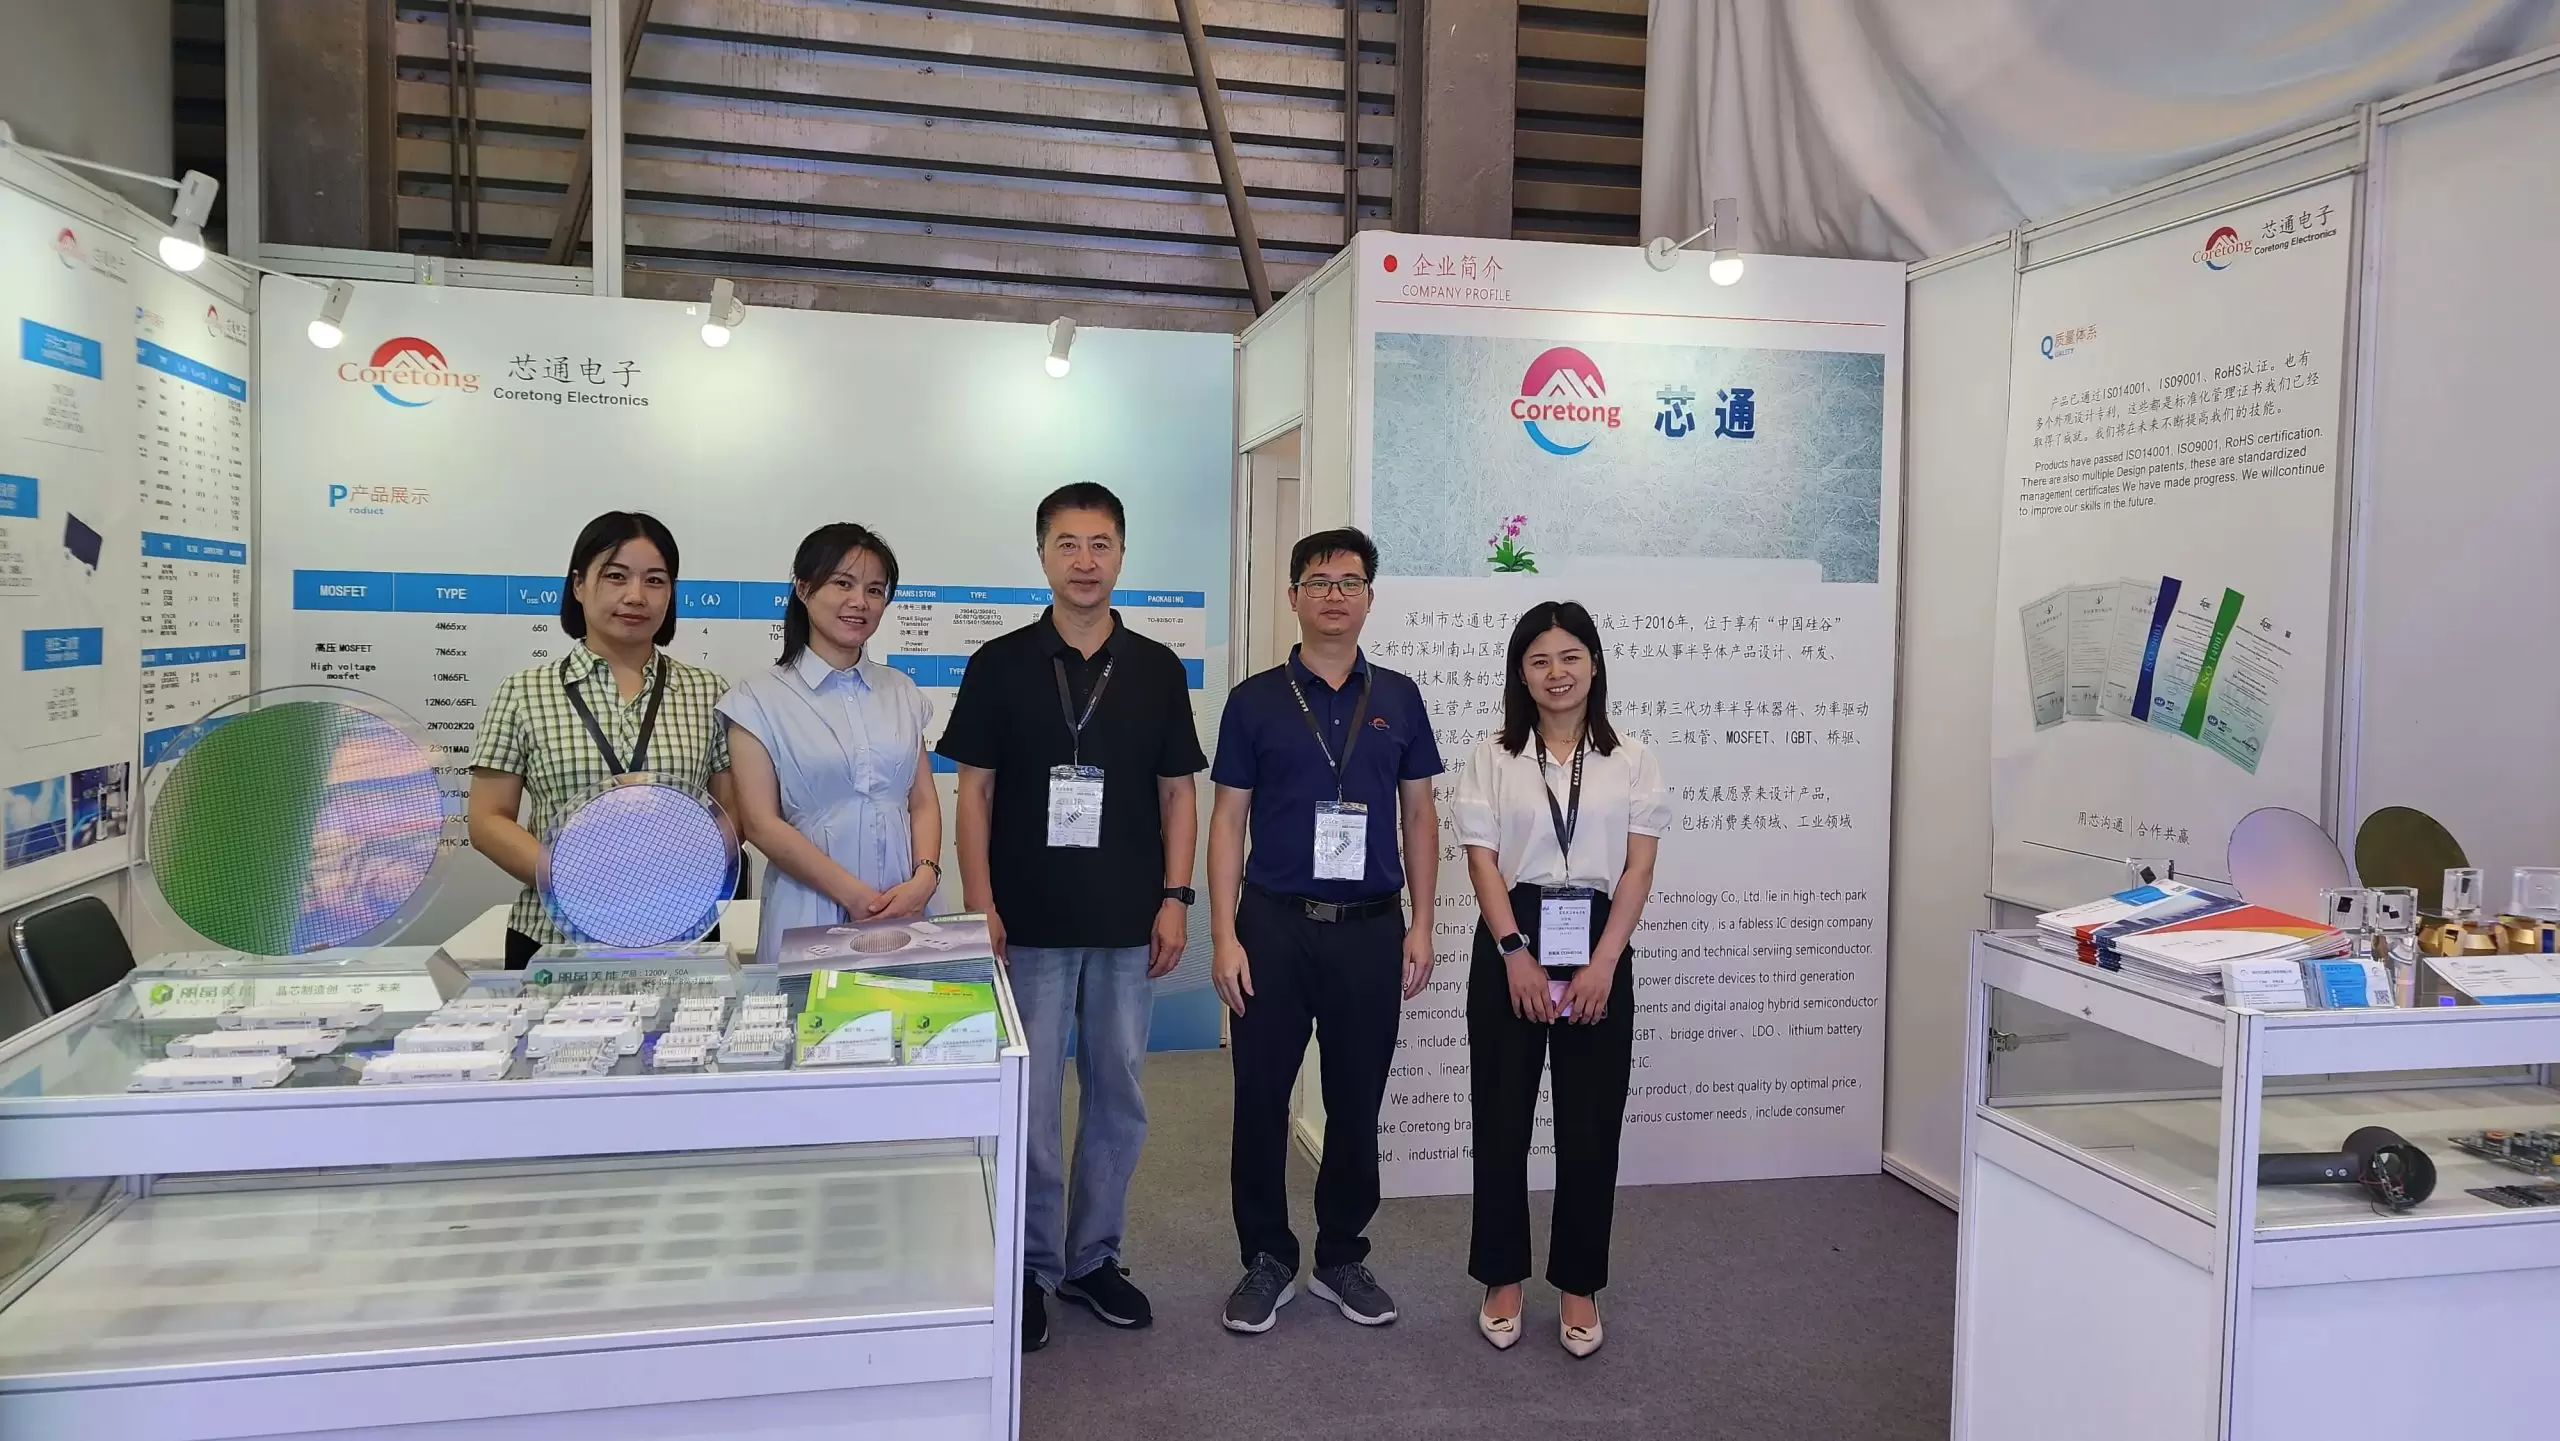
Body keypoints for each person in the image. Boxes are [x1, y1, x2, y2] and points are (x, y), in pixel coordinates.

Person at [935, 482, 1206, 1352]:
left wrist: (1176, 898)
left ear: (1122, 553)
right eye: (1067, 544)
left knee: (1119, 1093)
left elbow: (1179, 794)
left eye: (1100, 544)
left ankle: (1094, 1257)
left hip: (1129, 921)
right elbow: (973, 794)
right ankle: (1029, 1262)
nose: (1085, 561)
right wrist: (980, 904)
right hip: (1029, 921)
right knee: (1033, 1100)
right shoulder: (1000, 662)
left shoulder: (1156, 667)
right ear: (1042, 554)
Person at [1206, 528, 1441, 1334]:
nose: (1333, 594)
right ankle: (1266, 1258)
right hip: (1272, 925)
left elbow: (1420, 816)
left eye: (1349, 581)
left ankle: (1341, 1254)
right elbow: (1227, 820)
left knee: (1356, 1099)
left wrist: (1423, 923)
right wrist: (1224, 935)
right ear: (1293, 596)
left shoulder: (1400, 698)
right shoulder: (1255, 700)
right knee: (1260, 1097)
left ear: (1370, 596)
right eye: (1317, 580)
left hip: (1371, 931)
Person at [1453, 600, 1666, 1358]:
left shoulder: (1632, 757)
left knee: (1590, 1126)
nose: (1557, 672)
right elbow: (1482, 860)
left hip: (1599, 938)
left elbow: (1638, 867)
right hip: (1513, 932)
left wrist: (1605, 962)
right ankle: (1502, 1277)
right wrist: (1513, 950)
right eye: (1539, 660)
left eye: (1570, 656)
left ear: (1595, 665)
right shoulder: (1492, 755)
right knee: (1501, 1120)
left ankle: (1579, 1283)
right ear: (1521, 673)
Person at [468, 511, 736, 968]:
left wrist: (682, 872)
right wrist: (577, 880)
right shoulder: (523, 691)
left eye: (655, 581)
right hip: (554, 936)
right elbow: (487, 819)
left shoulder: (708, 691)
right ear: (578, 584)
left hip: (680, 932)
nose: (635, 596)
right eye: (616, 576)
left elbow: (730, 815)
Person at [717, 523, 942, 963]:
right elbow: (761, 823)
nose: (860, 601)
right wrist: (856, 897)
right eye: (843, 583)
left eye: (874, 590)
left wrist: (926, 878)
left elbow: (922, 802)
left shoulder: (901, 691)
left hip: (907, 905)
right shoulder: (756, 699)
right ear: (804, 588)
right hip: (808, 909)